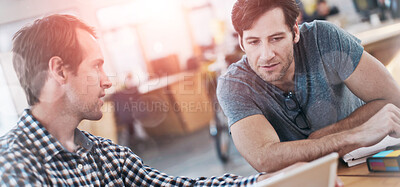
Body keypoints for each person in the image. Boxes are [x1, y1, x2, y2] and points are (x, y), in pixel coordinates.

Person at [0, 14, 326, 186]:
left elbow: (179, 186)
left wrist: (267, 182)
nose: (106, 79)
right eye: (96, 66)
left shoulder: (105, 156)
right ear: (59, 70)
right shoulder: (12, 166)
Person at [217, 0, 400, 173]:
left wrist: (319, 138)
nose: (266, 55)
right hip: (311, 178)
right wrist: (355, 134)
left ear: (295, 32)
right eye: (253, 42)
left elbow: (393, 99)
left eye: (276, 38)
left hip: (370, 158)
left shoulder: (324, 37)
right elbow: (263, 158)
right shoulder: (234, 85)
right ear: (241, 42)